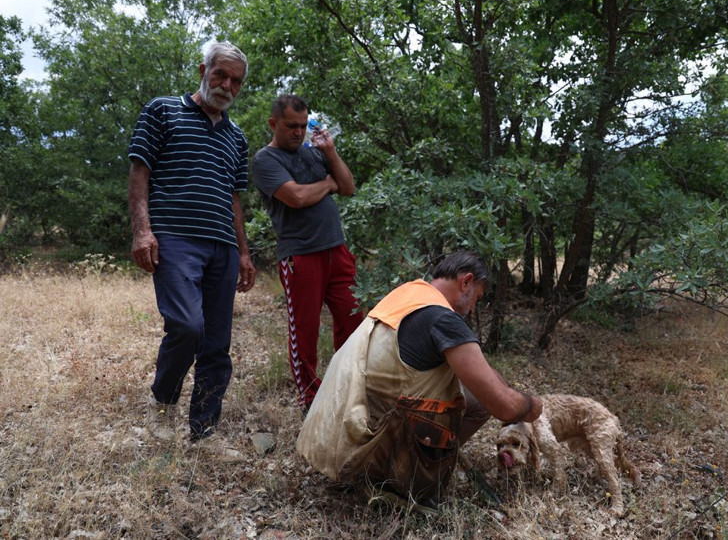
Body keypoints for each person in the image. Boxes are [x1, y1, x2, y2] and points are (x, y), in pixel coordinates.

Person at [296, 251, 543, 510]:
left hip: (340, 432)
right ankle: (403, 482)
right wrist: (533, 406)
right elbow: (503, 406)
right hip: (372, 439)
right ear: (466, 281)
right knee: (477, 402)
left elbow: (483, 373)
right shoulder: (444, 320)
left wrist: (501, 386)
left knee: (472, 397)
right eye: (477, 298)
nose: (472, 308)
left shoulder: (409, 295)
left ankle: (387, 470)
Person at [127, 42, 256, 449]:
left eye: (236, 80)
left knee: (217, 343)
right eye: (220, 74)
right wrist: (142, 231)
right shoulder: (163, 110)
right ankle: (161, 403)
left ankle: (204, 432)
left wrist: (244, 253)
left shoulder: (237, 137)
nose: (227, 85)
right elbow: (139, 171)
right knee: (186, 326)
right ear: (203, 70)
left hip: (223, 247)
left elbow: (234, 199)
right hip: (175, 238)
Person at [252, 94, 363, 412]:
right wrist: (327, 185)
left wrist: (330, 151)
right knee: (305, 331)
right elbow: (296, 197)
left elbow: (348, 187)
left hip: (336, 249)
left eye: (303, 126)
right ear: (274, 124)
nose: (299, 132)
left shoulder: (314, 152)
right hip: (300, 256)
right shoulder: (265, 160)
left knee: (353, 321)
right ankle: (311, 401)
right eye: (291, 126)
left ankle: (347, 387)